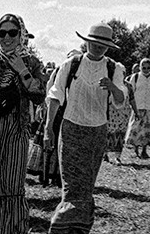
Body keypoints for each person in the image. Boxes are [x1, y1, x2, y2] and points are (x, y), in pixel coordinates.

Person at [45, 23, 126, 234]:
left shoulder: (114, 68)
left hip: (97, 132)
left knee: (87, 187)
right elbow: (55, 96)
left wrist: (113, 87)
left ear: (108, 46)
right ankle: (60, 228)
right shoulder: (71, 64)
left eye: (103, 44)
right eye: (95, 43)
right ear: (87, 42)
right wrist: (48, 129)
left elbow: (120, 100)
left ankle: (80, 229)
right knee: (71, 187)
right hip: (71, 129)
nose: (98, 47)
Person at [0, 13, 46, 233]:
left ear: (21, 34)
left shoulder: (31, 62)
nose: (6, 38)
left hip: (16, 128)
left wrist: (21, 69)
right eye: (1, 33)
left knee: (11, 185)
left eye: (12, 32)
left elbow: (39, 95)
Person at [125, 57, 150, 159]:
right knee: (136, 128)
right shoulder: (135, 77)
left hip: (149, 106)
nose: (146, 70)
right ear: (140, 67)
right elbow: (131, 92)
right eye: (143, 67)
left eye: (148, 68)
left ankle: (144, 151)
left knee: (147, 129)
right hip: (138, 106)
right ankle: (136, 149)